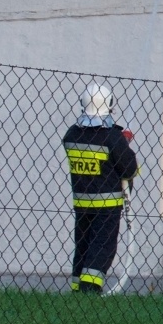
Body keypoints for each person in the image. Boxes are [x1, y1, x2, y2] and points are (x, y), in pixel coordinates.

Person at [62, 83, 139, 294]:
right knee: (101, 246)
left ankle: (78, 288)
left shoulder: (72, 135)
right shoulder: (112, 137)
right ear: (110, 105)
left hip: (81, 201)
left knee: (83, 245)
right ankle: (90, 290)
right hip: (107, 203)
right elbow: (129, 169)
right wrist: (123, 145)